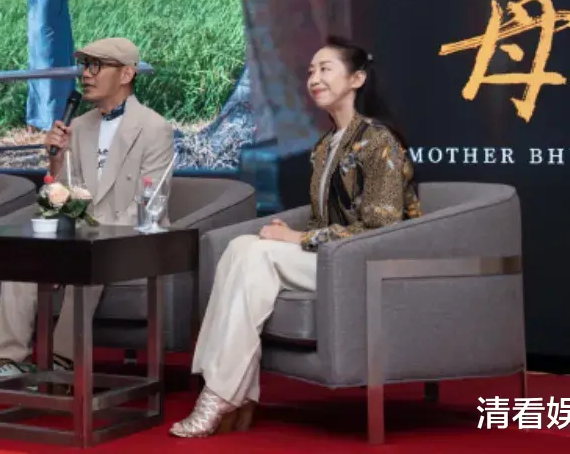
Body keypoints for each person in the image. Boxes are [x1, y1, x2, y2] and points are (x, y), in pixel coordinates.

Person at [169, 36, 422, 437]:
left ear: (357, 79)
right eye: (311, 71)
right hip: (334, 257)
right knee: (240, 246)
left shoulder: (379, 141)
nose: (314, 79)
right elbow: (325, 221)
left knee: (258, 255)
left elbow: (383, 228)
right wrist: (296, 237)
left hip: (368, 262)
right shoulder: (325, 146)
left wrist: (298, 239)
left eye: (325, 69)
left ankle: (220, 394)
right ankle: (231, 392)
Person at [0, 37, 176, 382]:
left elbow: (149, 203)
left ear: (126, 74)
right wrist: (56, 161)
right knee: (22, 257)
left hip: (130, 240)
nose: (86, 74)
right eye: (84, 65)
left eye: (96, 66)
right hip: (81, 236)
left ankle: (62, 364)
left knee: (91, 252)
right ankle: (8, 360)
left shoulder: (154, 128)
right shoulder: (80, 126)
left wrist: (90, 234)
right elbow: (64, 196)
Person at [24, 0, 79, 132]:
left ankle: (34, 119)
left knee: (37, 72)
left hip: (35, 29)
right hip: (53, 30)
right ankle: (54, 120)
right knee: (57, 75)